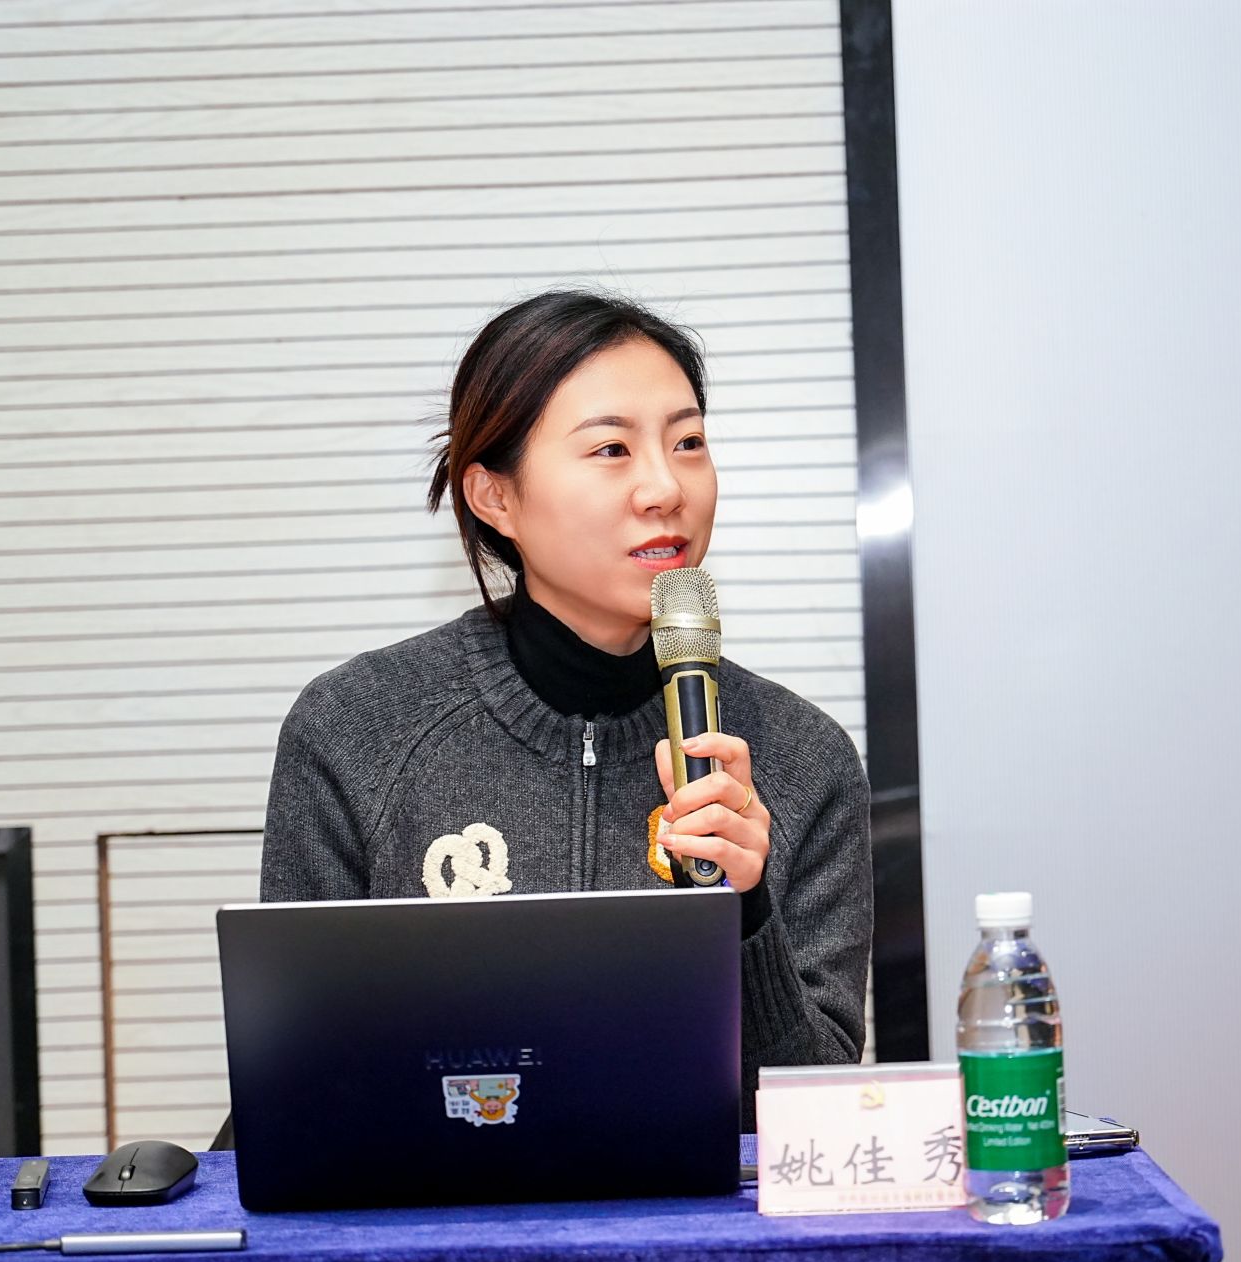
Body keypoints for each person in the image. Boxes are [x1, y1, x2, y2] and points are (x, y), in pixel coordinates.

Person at [211, 290, 871, 1147]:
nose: (665, 487)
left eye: (688, 442)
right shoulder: (355, 728)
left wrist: (744, 910)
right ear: (495, 496)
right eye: (611, 448)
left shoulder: (802, 757)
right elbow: (300, 1083)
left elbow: (814, 1132)